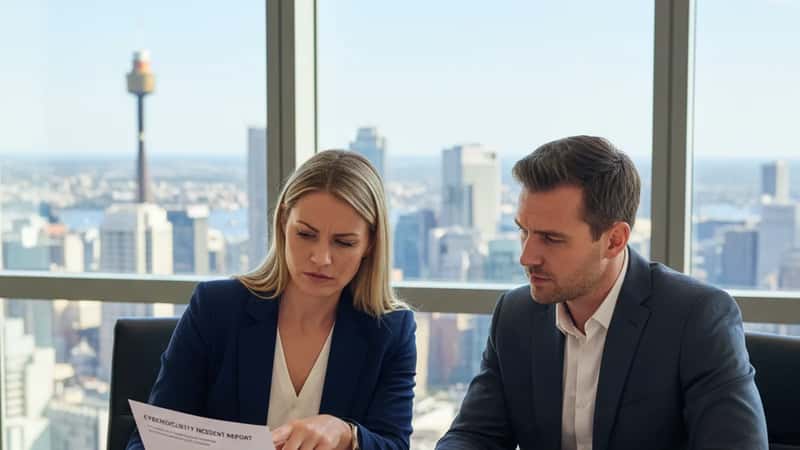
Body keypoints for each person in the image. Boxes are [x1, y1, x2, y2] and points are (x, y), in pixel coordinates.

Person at [436, 136, 768, 450]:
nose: (526, 257)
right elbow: (475, 434)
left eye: (551, 239)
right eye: (524, 231)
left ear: (614, 240)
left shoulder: (695, 318)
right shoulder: (515, 315)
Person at [127, 150, 416, 450]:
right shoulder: (216, 309)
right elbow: (148, 441)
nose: (321, 258)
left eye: (344, 242)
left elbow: (394, 444)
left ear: (370, 244)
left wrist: (347, 435)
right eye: (305, 234)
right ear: (282, 224)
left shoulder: (391, 331)